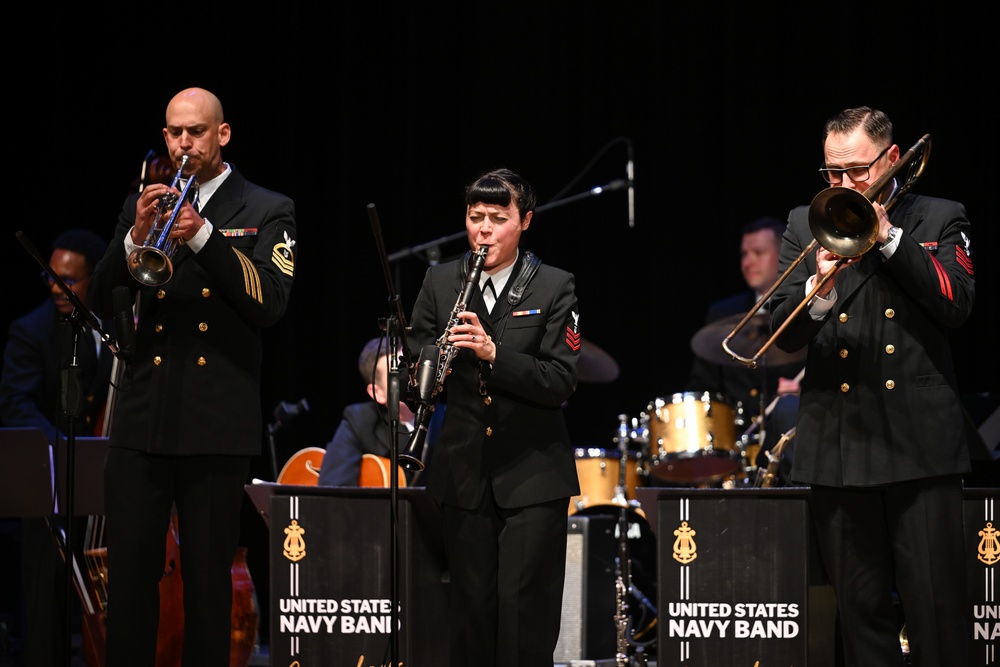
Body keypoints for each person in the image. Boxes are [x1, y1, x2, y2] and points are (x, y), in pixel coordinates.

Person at [88, 87, 296, 666]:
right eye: (175, 133)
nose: (184, 143)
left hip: (215, 418)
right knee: (130, 576)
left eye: (197, 132)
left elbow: (270, 301)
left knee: (207, 583)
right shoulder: (143, 201)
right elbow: (106, 294)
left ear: (222, 135)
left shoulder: (265, 207)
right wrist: (134, 236)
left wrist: (201, 234)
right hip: (142, 413)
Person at [770, 106, 974, 666]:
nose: (842, 185)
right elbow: (778, 332)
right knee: (861, 621)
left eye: (856, 172)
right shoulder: (802, 222)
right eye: (832, 173)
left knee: (938, 614)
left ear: (890, 160)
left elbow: (956, 304)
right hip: (839, 442)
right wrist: (820, 287)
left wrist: (889, 241)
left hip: (919, 445)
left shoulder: (938, 217)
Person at [407, 167, 581, 667]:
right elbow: (417, 352)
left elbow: (559, 380)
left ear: (525, 221)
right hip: (461, 472)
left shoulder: (554, 285)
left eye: (498, 218)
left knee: (525, 616)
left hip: (532, 476)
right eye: (474, 216)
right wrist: (415, 369)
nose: (483, 229)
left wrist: (490, 353)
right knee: (470, 615)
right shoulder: (441, 280)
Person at [0, 228, 111, 667]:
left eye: (68, 280)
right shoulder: (31, 331)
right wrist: (66, 451)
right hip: (52, 494)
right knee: (46, 617)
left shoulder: (115, 325)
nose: (55, 286)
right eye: (50, 276)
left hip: (110, 493)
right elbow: (15, 403)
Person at [686, 216, 804, 484]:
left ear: (783, 255)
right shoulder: (722, 314)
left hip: (789, 440)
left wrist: (801, 394)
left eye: (758, 253)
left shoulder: (804, 305)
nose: (747, 262)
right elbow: (703, 382)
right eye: (744, 254)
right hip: (735, 442)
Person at [318, 336, 423, 486]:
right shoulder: (361, 420)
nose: (409, 378)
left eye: (410, 368)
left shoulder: (446, 417)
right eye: (397, 373)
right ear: (378, 392)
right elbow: (333, 488)